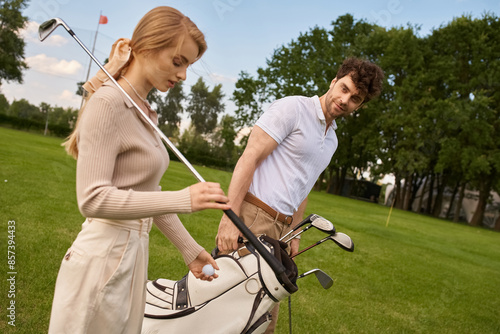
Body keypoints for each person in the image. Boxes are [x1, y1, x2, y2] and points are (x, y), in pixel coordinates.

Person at [48, 6, 231, 334]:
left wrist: (189, 249)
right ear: (146, 47)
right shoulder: (108, 104)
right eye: (178, 62)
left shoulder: (145, 113)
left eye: (188, 65)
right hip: (101, 258)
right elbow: (92, 199)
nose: (183, 75)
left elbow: (147, 194)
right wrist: (184, 199)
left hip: (134, 253)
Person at [216, 57, 384, 333]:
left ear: (360, 105)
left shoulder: (332, 140)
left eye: (355, 98)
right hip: (252, 216)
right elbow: (250, 157)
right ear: (333, 82)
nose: (345, 100)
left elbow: (305, 186)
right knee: (230, 314)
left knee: (264, 323)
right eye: (344, 88)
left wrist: (295, 233)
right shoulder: (293, 108)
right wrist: (230, 218)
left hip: (282, 231)